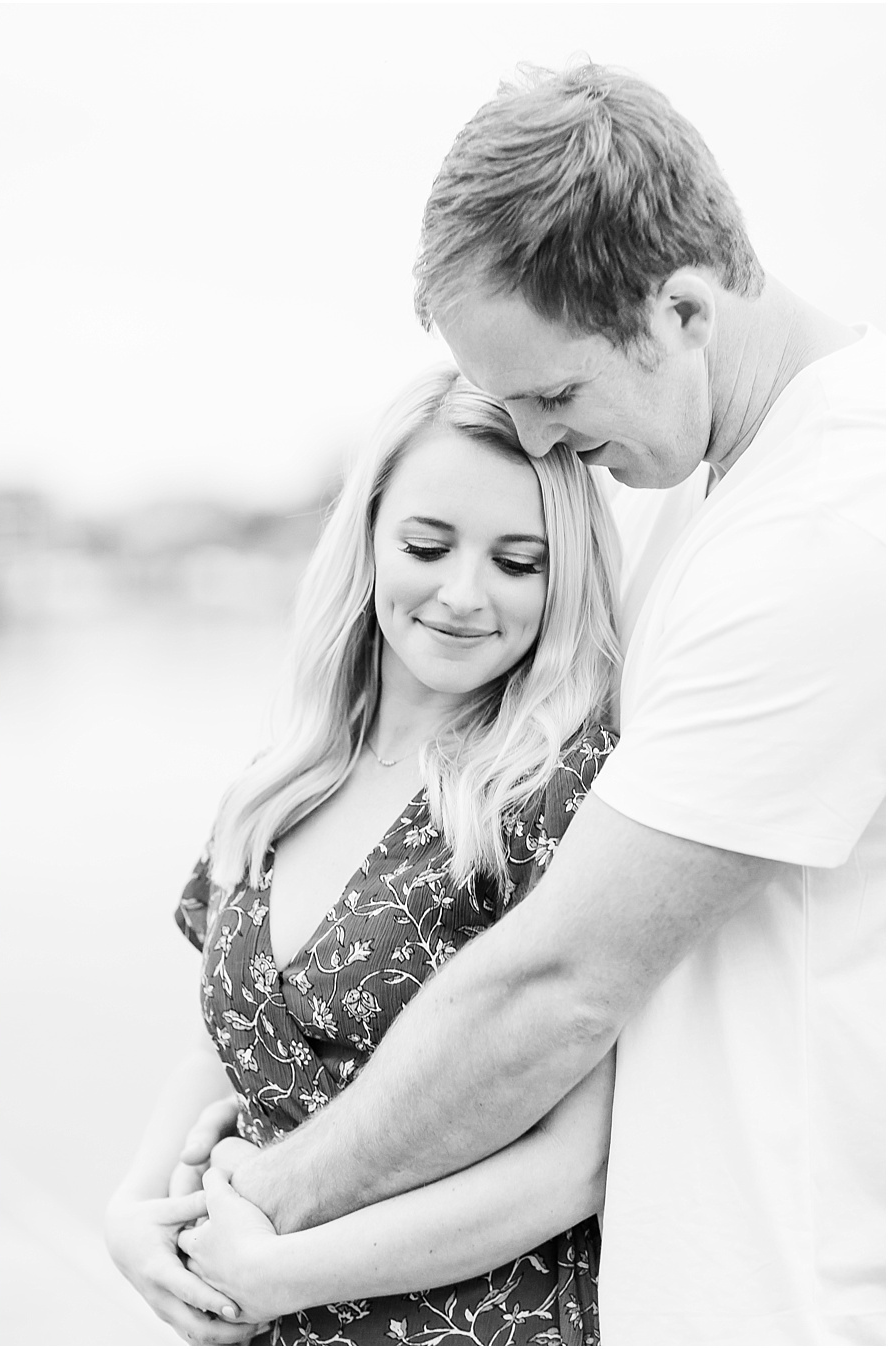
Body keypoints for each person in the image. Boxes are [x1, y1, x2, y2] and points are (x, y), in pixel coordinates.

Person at [188, 63, 884, 1345]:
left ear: (684, 305)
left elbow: (558, 976)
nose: (549, 448)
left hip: (796, 1291)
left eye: (557, 397)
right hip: (682, 1280)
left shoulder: (839, 524)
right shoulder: (708, 492)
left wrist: (272, 1202)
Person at [107, 365, 623, 1344]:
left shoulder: (562, 786)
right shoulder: (278, 780)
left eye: (521, 562)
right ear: (370, 535)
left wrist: (281, 1271)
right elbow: (236, 1051)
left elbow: (578, 1159)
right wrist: (131, 1212)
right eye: (429, 545)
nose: (465, 595)